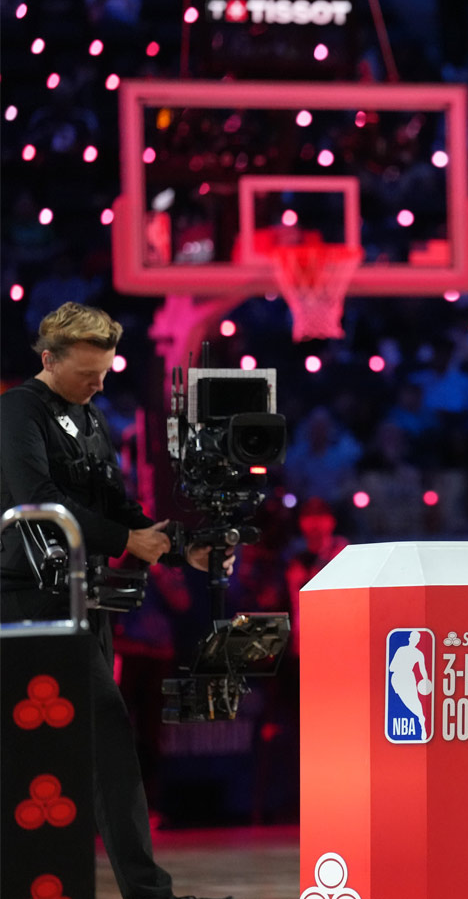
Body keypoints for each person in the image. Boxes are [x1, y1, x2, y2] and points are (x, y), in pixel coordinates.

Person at [0, 302, 231, 899]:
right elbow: (37, 496)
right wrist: (127, 539)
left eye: (105, 372)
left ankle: (144, 890)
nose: (100, 384)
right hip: (30, 602)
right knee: (102, 735)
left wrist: (181, 548)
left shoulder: (93, 417)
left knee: (104, 744)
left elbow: (120, 508)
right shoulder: (19, 410)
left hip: (85, 599)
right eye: (87, 373)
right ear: (49, 359)